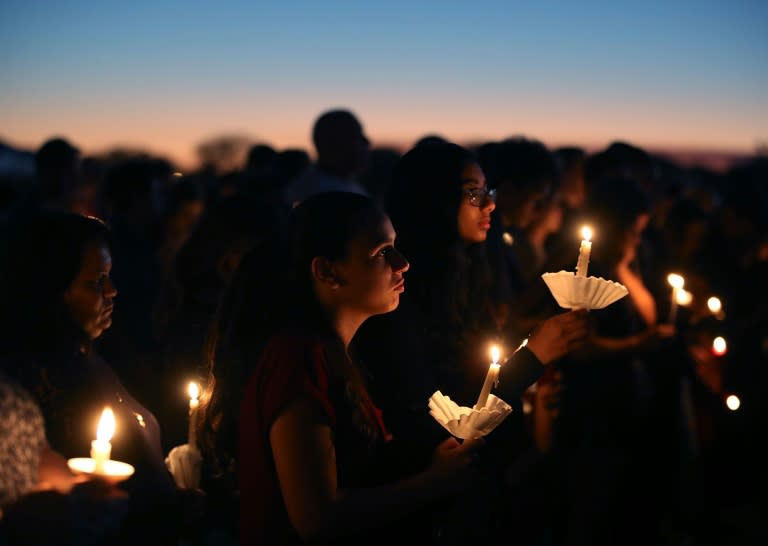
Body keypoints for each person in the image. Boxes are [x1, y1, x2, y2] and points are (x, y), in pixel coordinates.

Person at [201, 191, 482, 545]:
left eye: (394, 246)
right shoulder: (297, 359)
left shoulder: (333, 353)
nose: (402, 262)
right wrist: (431, 483)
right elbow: (316, 517)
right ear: (327, 271)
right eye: (381, 253)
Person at [353, 141, 588, 543]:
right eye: (473, 193)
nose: (489, 205)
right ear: (434, 199)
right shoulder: (395, 296)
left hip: (483, 483)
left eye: (488, 192)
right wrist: (532, 358)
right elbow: (445, 415)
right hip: (429, 501)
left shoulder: (467, 275)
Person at [0, 211, 187, 545]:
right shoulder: (35, 384)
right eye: (95, 282)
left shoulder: (94, 361)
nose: (113, 291)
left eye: (110, 277)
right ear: (50, 289)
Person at [282, 109, 370, 207]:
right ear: (333, 143)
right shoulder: (329, 197)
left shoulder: (344, 186)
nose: (367, 142)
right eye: (357, 135)